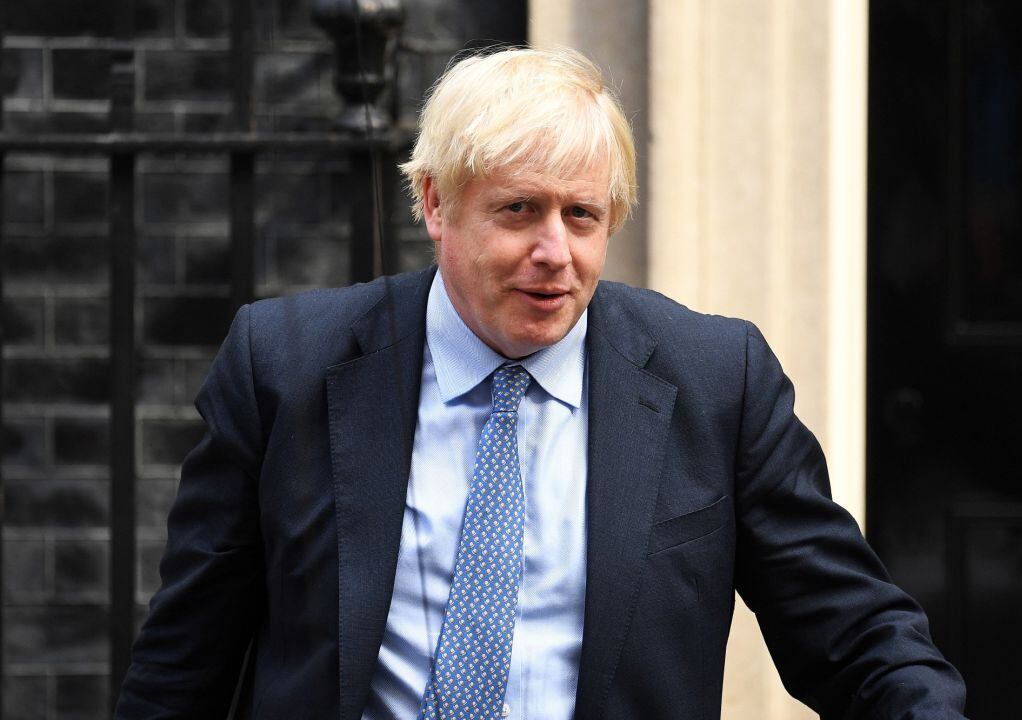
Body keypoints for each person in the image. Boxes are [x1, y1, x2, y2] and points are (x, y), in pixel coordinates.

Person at [115, 47, 967, 719]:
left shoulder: (715, 381)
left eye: (582, 216)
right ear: (435, 204)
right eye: (519, 210)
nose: (555, 251)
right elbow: (184, 662)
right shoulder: (285, 366)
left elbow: (853, 633)